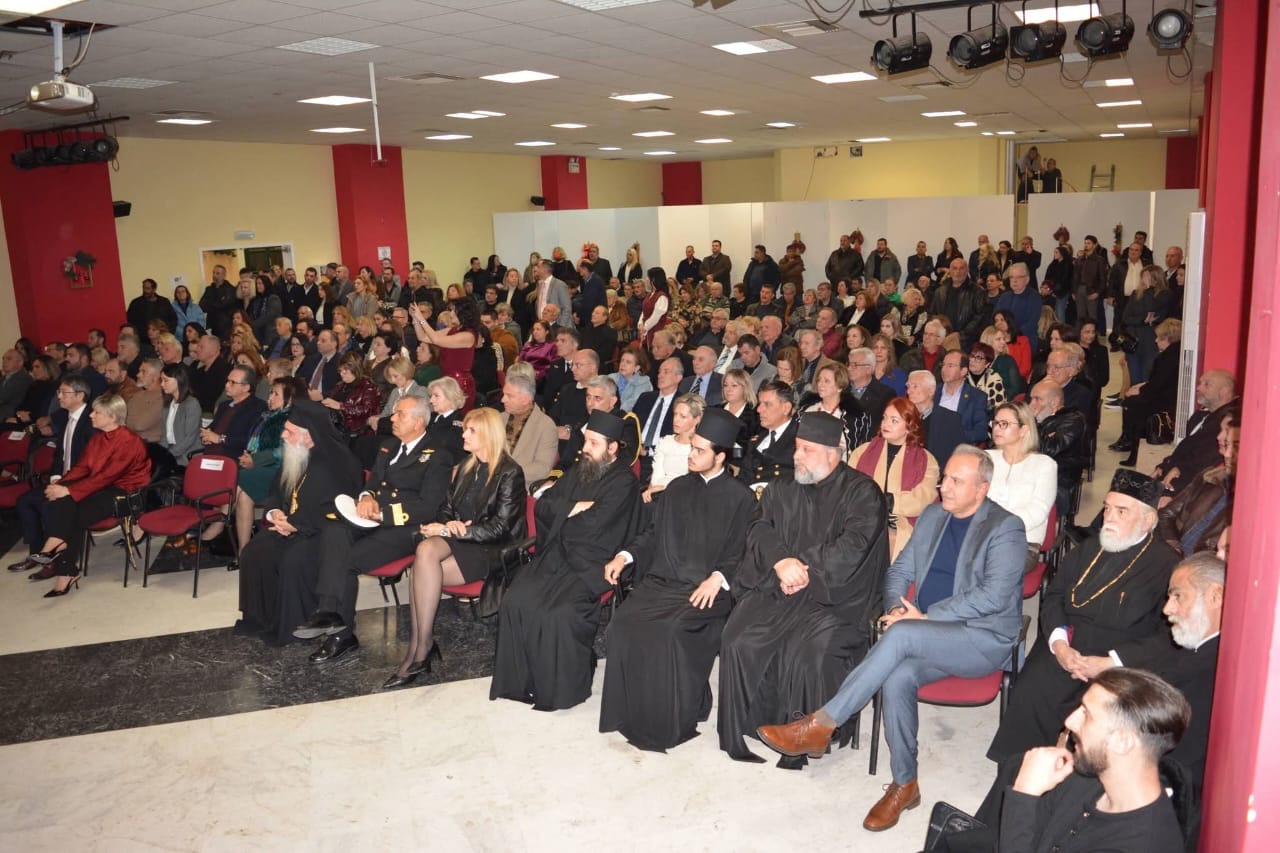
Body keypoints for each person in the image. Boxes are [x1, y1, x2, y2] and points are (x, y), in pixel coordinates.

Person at [753, 448, 1026, 829]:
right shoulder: (933, 516)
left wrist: (924, 617)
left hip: (982, 638)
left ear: (981, 489)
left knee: (901, 638)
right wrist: (898, 607)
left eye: (955, 481)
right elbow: (899, 571)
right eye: (944, 478)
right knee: (897, 675)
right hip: (924, 632)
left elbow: (993, 597)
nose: (943, 486)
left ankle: (822, 723)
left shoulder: (1006, 528)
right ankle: (905, 783)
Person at [718, 413, 890, 765]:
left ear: (833, 452)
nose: (796, 456)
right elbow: (759, 528)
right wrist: (781, 561)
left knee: (805, 650)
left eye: (806, 449)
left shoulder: (862, 493)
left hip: (835, 598)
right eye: (796, 447)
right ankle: (750, 723)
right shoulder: (782, 487)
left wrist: (802, 568)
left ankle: (808, 732)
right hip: (780, 586)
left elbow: (852, 548)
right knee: (738, 637)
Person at [988, 470, 1180, 762]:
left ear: (1148, 519)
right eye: (1107, 508)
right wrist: (1060, 645)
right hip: (1069, 646)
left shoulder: (1167, 566)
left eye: (1121, 511)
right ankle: (1019, 770)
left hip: (1122, 662)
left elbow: (1169, 636)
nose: (1109, 518)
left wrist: (1111, 662)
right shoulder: (1089, 548)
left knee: (1100, 716)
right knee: (1032, 690)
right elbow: (1055, 596)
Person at [600, 408, 758, 751]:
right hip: (664, 581)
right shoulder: (677, 488)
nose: (691, 454)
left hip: (707, 589)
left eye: (699, 450)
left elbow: (742, 552)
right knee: (623, 624)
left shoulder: (742, 498)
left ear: (720, 456)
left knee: (669, 632)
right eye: (691, 447)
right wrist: (625, 556)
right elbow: (653, 534)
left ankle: (674, 715)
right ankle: (630, 711)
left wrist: (718, 578)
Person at [942, 668, 1190, 853]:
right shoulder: (1089, 776)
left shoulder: (1144, 844)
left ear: (1122, 742)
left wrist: (1025, 794)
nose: (1070, 722)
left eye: (1087, 715)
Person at [490, 411, 642, 711]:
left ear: (612, 448)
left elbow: (597, 525)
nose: (585, 448)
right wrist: (574, 507)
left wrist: (565, 513)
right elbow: (543, 504)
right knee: (515, 601)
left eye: (594, 443)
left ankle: (560, 689)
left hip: (594, 562)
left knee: (558, 613)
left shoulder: (624, 482)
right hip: (557, 553)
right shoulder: (579, 469)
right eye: (586, 441)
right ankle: (521, 682)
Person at [378, 408, 527, 688]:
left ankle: (420, 649)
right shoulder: (467, 466)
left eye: (471, 430)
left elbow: (500, 529)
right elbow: (445, 507)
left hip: (492, 549)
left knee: (422, 566)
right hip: (461, 539)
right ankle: (421, 646)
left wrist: (453, 530)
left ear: (488, 435)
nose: (464, 435)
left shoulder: (510, 472)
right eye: (465, 429)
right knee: (425, 553)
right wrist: (449, 525)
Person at [234, 400, 364, 645]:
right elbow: (276, 491)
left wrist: (297, 525)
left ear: (309, 436)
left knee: (293, 558)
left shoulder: (340, 464)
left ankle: (295, 626)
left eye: (289, 432)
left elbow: (338, 511)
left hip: (324, 533)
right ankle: (261, 619)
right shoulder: (295, 455)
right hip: (291, 525)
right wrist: (274, 513)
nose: (283, 436)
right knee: (254, 552)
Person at [13, 394, 151, 594]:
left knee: (70, 513)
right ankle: (60, 555)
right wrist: (60, 484)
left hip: (123, 492)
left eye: (97, 412)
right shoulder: (98, 438)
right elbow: (82, 467)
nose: (91, 415)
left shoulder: (129, 441)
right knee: (63, 504)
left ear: (113, 417)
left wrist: (69, 490)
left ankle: (60, 557)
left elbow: (107, 476)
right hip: (100, 487)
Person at [849, 397, 939, 560]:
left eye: (894, 420)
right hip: (863, 519)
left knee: (893, 538)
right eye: (884, 418)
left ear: (909, 426)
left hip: (903, 524)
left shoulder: (926, 460)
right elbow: (849, 490)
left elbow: (924, 498)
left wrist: (890, 501)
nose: (886, 424)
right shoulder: (861, 452)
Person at [231, 376, 300, 553]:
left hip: (282, 470)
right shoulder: (267, 416)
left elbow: (285, 452)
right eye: (271, 393)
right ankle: (244, 550)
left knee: (238, 478)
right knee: (244, 495)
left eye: (276, 394)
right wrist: (250, 457)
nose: (270, 397)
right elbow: (254, 444)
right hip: (263, 465)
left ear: (289, 399)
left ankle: (219, 522)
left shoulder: (293, 418)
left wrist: (255, 460)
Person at [986, 401, 1058, 570]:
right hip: (981, 537)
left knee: (984, 565)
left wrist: (997, 525)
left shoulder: (1044, 465)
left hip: (1022, 543)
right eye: (995, 423)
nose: (996, 429)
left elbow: (1038, 511)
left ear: (1024, 430)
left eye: (1004, 424)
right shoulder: (986, 457)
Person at [1156, 413, 1237, 556]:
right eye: (1228, 445)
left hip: (1199, 566)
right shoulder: (1210, 476)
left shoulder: (1248, 505)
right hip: (1174, 555)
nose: (1227, 454)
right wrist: (1173, 547)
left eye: (1235, 446)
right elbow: (1166, 513)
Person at [1112, 319, 1181, 467]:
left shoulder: (1167, 358)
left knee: (1132, 403)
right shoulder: (1175, 354)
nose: (1155, 341)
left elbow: (1156, 385)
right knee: (1133, 400)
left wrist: (1139, 390)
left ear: (1167, 338)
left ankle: (1132, 444)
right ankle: (1130, 441)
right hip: (1167, 396)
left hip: (1164, 400)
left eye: (1159, 338)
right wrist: (1142, 387)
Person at [1029, 379, 1089, 518]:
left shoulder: (1072, 420)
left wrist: (1030, 423)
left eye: (1037, 399)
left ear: (1054, 402)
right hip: (1029, 472)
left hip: (1058, 480)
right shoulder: (1040, 420)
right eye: (1031, 399)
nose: (1031, 404)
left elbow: (1046, 450)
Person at [500, 373, 557, 487]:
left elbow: (542, 468)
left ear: (525, 399)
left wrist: (506, 473)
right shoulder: (499, 418)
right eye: (504, 394)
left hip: (519, 486)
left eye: (509, 396)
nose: (502, 400)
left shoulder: (546, 426)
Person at [644, 393, 703, 503]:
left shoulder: (700, 448)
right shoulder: (665, 442)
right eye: (675, 414)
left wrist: (663, 488)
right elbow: (656, 477)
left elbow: (693, 484)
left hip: (684, 500)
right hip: (658, 496)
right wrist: (650, 492)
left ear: (697, 419)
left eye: (683, 416)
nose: (676, 420)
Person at [737, 379, 798, 486]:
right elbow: (743, 480)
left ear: (786, 408)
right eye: (760, 404)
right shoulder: (755, 441)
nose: (759, 410)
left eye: (767, 404)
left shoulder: (801, 440)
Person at [802, 362, 872, 451]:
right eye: (819, 380)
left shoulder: (854, 417)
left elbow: (863, 448)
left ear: (840, 387)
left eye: (826, 381)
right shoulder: (807, 409)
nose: (820, 384)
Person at [607, 348, 652, 412]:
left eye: (628, 362)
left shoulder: (644, 384)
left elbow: (632, 405)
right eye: (622, 360)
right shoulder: (611, 378)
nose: (623, 364)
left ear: (637, 368)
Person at [639, 267, 671, 348]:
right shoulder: (650, 294)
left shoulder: (662, 296)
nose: (646, 279)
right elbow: (644, 311)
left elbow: (655, 317)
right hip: (646, 330)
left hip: (656, 330)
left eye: (647, 277)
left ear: (653, 279)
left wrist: (645, 327)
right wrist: (640, 324)